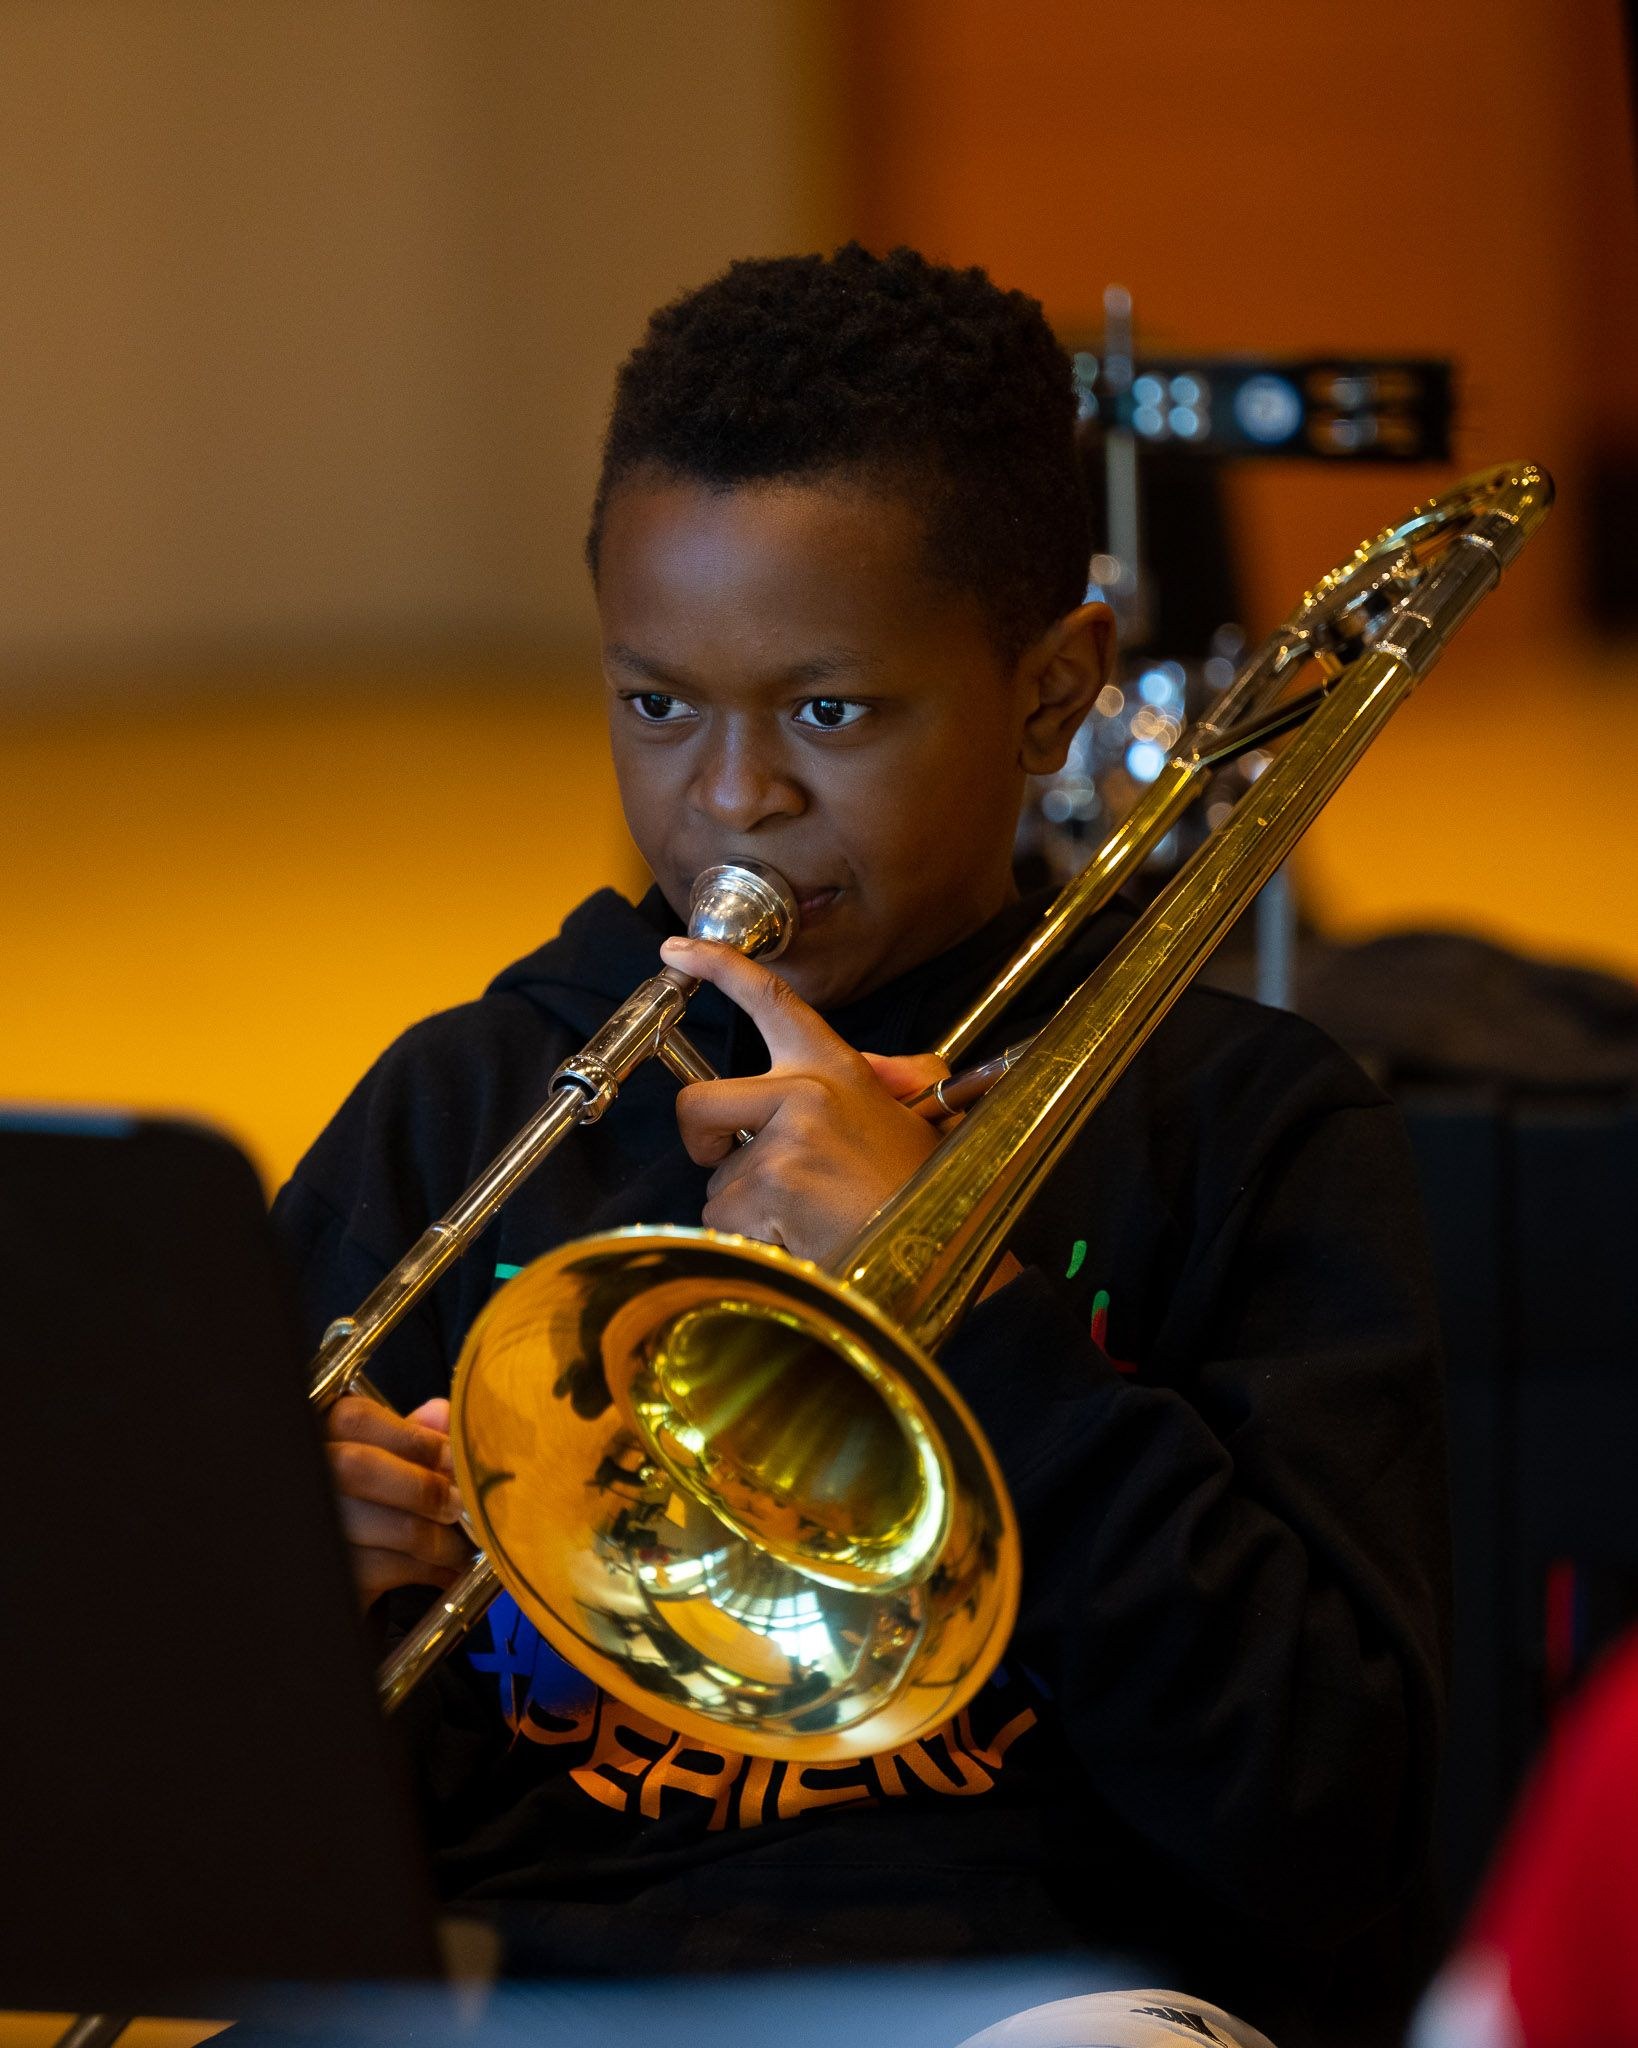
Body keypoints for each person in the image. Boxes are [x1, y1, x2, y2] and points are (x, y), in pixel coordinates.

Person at [272, 245, 1449, 2045]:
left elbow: (1331, 1817)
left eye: (829, 711)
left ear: (1053, 693)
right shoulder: (462, 1103)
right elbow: (247, 1848)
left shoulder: (1243, 1127)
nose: (730, 798)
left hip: (1043, 1990)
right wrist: (302, 1604)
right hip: (551, 1987)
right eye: (657, 701)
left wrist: (971, 1312)